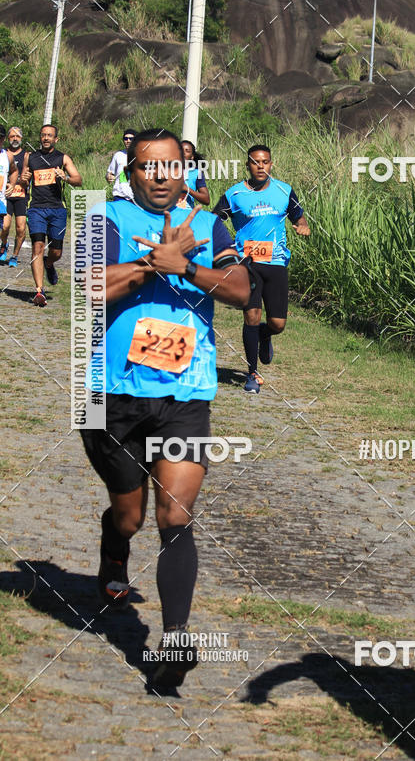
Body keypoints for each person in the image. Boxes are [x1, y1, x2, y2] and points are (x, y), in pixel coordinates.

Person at [79, 128, 252, 690]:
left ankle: (175, 639)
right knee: (129, 515)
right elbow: (89, 289)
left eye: (170, 167)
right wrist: (155, 265)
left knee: (175, 517)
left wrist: (188, 269)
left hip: (186, 395)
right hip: (108, 394)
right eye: (147, 168)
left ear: (186, 171)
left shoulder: (209, 225)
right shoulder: (104, 218)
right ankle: (114, 548)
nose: (160, 177)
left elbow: (242, 289)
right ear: (130, 172)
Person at [212, 144, 310, 393]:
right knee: (252, 316)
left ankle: (265, 336)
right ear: (248, 165)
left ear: (271, 164)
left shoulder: (284, 190)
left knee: (277, 324)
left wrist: (302, 225)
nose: (260, 166)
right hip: (247, 265)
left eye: (265, 161)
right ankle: (252, 374)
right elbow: (215, 221)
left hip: (276, 263)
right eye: (255, 162)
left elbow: (298, 216)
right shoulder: (234, 194)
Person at [21, 124, 82, 306]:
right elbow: (24, 182)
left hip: (57, 209)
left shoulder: (62, 158)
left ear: (56, 139)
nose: (46, 138)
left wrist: (65, 177)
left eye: (50, 135)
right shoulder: (30, 157)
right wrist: (22, 180)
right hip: (36, 208)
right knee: (37, 247)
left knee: (56, 251)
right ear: (40, 138)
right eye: (43, 135)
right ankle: (39, 291)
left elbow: (78, 180)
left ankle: (49, 263)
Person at [0, 126, 30, 267]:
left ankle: (15, 255)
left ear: (21, 138)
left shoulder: (26, 155)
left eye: (17, 136)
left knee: (20, 228)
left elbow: (25, 175)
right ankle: (4, 245)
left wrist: (23, 180)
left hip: (21, 195)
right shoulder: (5, 153)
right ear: (8, 138)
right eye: (12, 136)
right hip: (6, 195)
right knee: (5, 227)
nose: (15, 139)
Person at [106, 129, 137, 201]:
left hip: (136, 197)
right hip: (119, 195)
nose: (128, 141)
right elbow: (109, 173)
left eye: (131, 139)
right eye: (125, 138)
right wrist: (108, 177)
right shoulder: (118, 155)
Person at [179, 140, 209, 208]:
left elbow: (206, 200)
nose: (183, 153)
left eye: (187, 151)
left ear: (192, 157)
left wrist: (187, 189)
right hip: (169, 215)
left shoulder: (196, 173)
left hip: (187, 215)